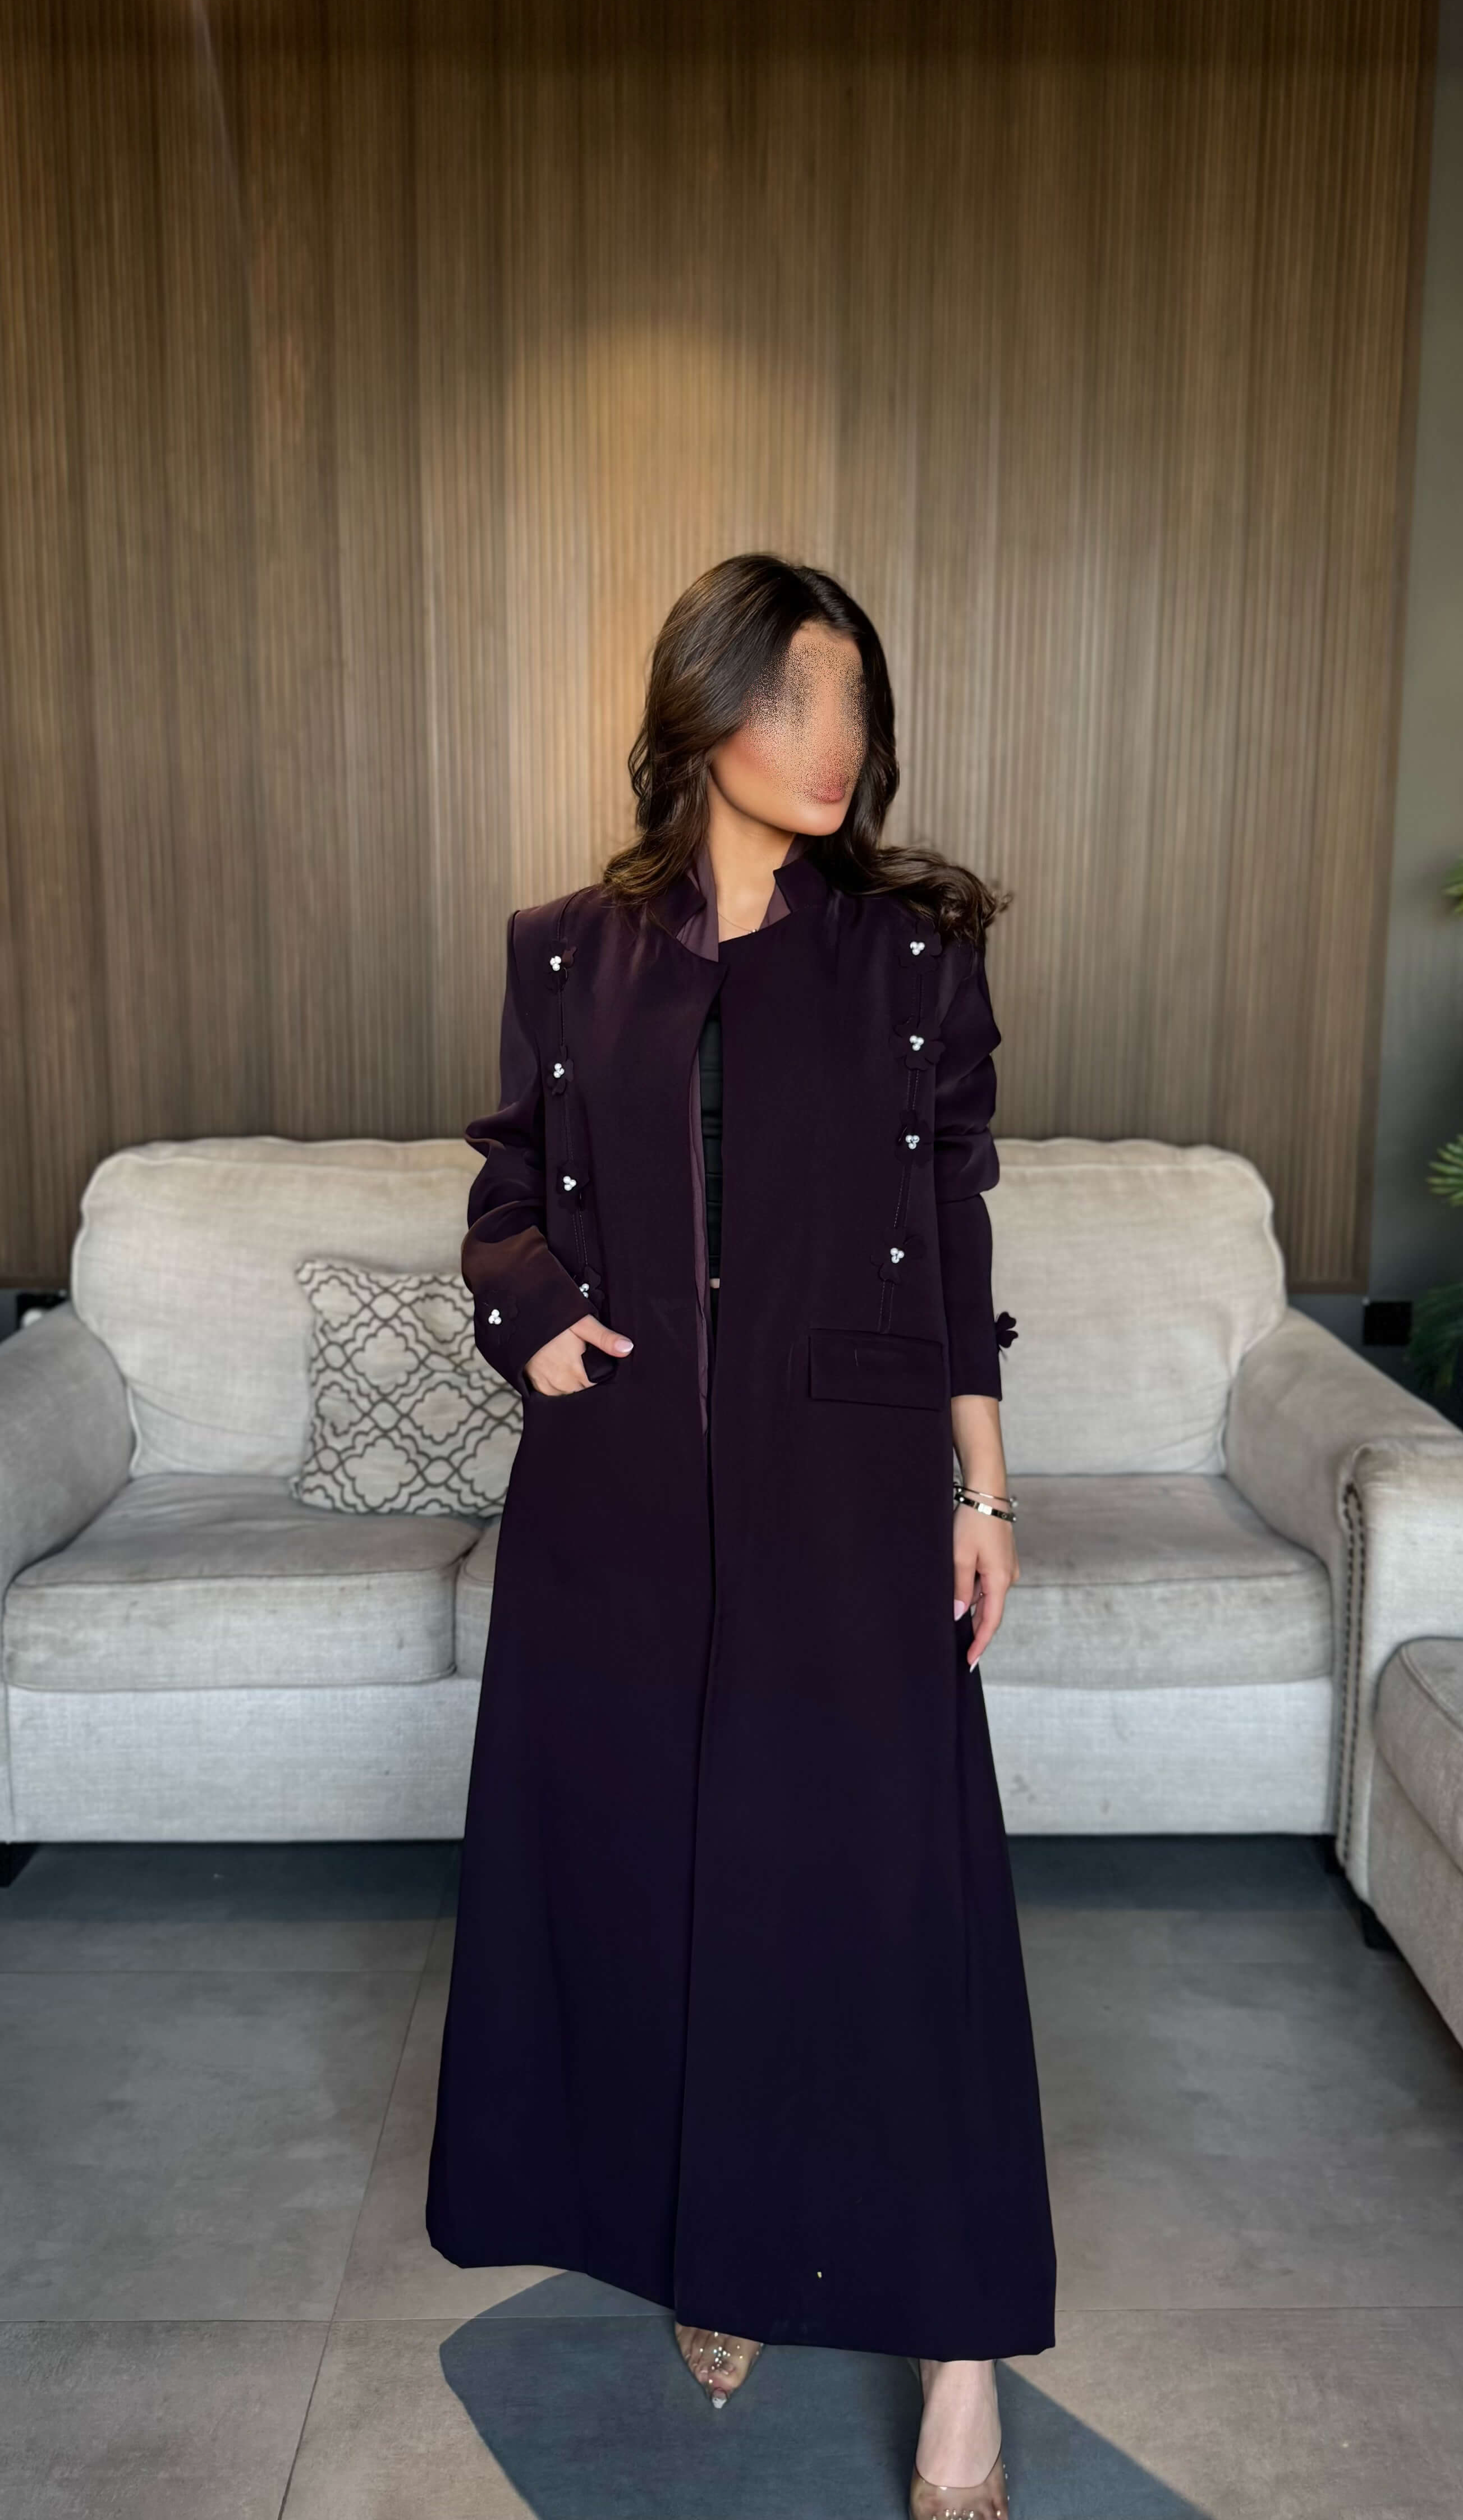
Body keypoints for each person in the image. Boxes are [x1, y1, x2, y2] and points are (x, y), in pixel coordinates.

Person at [426, 553, 1057, 2520]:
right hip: (613, 1501)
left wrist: (980, 1490)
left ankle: (960, 2359)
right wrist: (532, 1315)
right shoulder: (563, 951)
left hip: (843, 1492)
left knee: (884, 1905)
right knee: (652, 1891)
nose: (831, 737)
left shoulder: (909, 955)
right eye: (792, 695)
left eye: (854, 698)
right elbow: (506, 1186)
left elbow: (950, 1225)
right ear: (700, 712)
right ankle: (726, 2255)